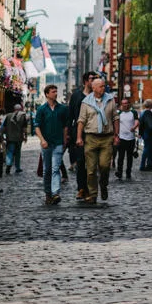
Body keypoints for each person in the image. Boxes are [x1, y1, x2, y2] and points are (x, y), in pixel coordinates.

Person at [76, 74, 117, 202]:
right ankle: (93, 194)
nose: (103, 88)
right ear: (93, 88)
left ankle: (103, 185)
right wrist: (79, 137)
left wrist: (116, 135)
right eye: (100, 86)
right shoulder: (86, 102)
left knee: (105, 165)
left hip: (106, 138)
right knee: (91, 169)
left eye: (104, 86)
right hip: (91, 138)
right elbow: (81, 121)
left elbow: (115, 118)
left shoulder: (110, 99)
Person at [33, 85, 70, 204]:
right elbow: (37, 126)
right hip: (46, 144)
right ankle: (48, 193)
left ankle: (55, 193)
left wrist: (64, 140)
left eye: (56, 91)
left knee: (55, 169)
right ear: (47, 94)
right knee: (47, 170)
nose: (55, 93)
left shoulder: (62, 109)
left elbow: (65, 126)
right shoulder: (42, 109)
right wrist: (42, 140)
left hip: (58, 142)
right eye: (53, 92)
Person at [65, 70, 94, 202]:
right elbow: (70, 116)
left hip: (94, 132)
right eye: (91, 79)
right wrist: (68, 134)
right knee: (81, 161)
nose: (93, 81)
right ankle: (81, 189)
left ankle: (91, 189)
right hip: (79, 133)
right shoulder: (76, 96)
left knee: (93, 164)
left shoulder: (97, 96)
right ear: (85, 81)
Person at [114, 98, 138, 180]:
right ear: (121, 104)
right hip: (121, 138)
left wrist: (134, 127)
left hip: (131, 138)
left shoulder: (133, 112)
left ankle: (128, 172)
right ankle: (119, 172)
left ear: (129, 104)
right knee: (120, 157)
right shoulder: (119, 113)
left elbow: (137, 121)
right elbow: (115, 123)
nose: (125, 105)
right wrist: (116, 136)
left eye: (126, 103)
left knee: (129, 157)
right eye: (123, 103)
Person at [2, 103, 28, 174]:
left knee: (9, 152)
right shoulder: (23, 116)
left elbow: (3, 127)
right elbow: (24, 128)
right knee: (17, 153)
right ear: (20, 109)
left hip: (10, 138)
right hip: (19, 138)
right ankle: (17, 167)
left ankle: (8, 165)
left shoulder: (8, 116)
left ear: (14, 109)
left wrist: (2, 136)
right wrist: (25, 136)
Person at [137, 99, 152, 171]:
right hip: (148, 133)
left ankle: (150, 164)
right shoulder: (148, 113)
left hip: (145, 133)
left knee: (149, 149)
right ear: (150, 105)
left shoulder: (143, 112)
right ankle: (142, 165)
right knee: (146, 149)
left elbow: (141, 124)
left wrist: (140, 133)